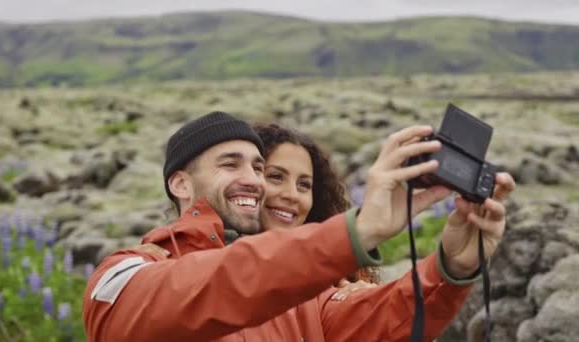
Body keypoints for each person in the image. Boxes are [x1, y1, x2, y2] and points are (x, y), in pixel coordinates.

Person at [83, 111, 515, 341]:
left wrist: (450, 270)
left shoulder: (307, 297)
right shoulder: (124, 276)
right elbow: (223, 283)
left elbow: (384, 320)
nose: (251, 179)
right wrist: (358, 230)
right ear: (179, 182)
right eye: (229, 164)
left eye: (257, 166)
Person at [254, 123, 379, 294]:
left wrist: (365, 304)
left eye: (304, 185)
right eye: (276, 177)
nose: (292, 195)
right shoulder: (214, 261)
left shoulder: (339, 277)